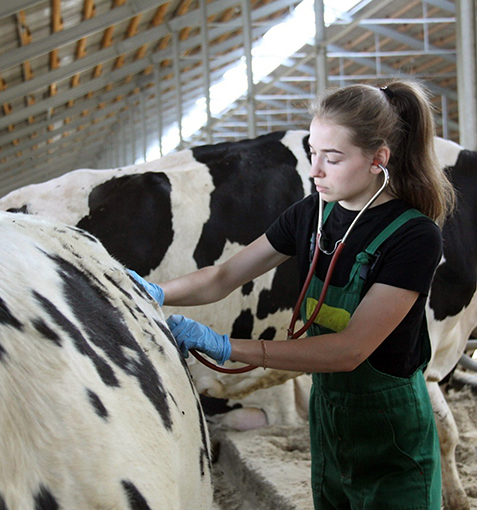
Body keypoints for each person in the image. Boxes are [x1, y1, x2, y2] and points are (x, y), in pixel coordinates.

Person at [129, 80, 455, 509]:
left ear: (379, 160)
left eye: (332, 158)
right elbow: (223, 276)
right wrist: (149, 292)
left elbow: (350, 350)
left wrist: (228, 347)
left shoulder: (414, 235)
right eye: (312, 153)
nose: (315, 170)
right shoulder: (311, 215)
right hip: (328, 418)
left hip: (390, 427)